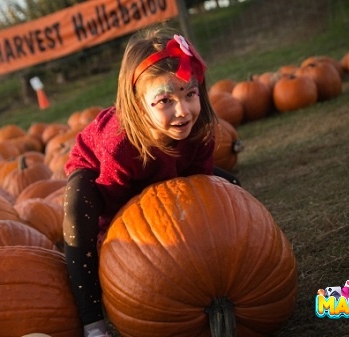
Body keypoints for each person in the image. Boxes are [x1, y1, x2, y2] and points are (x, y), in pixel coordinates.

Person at [63, 26, 240, 337]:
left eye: (190, 94)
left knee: (231, 188)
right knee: (79, 215)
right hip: (102, 181)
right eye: (165, 101)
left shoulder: (199, 131)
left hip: (166, 172)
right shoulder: (119, 146)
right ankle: (93, 322)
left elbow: (201, 184)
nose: (183, 111)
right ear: (138, 104)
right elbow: (118, 215)